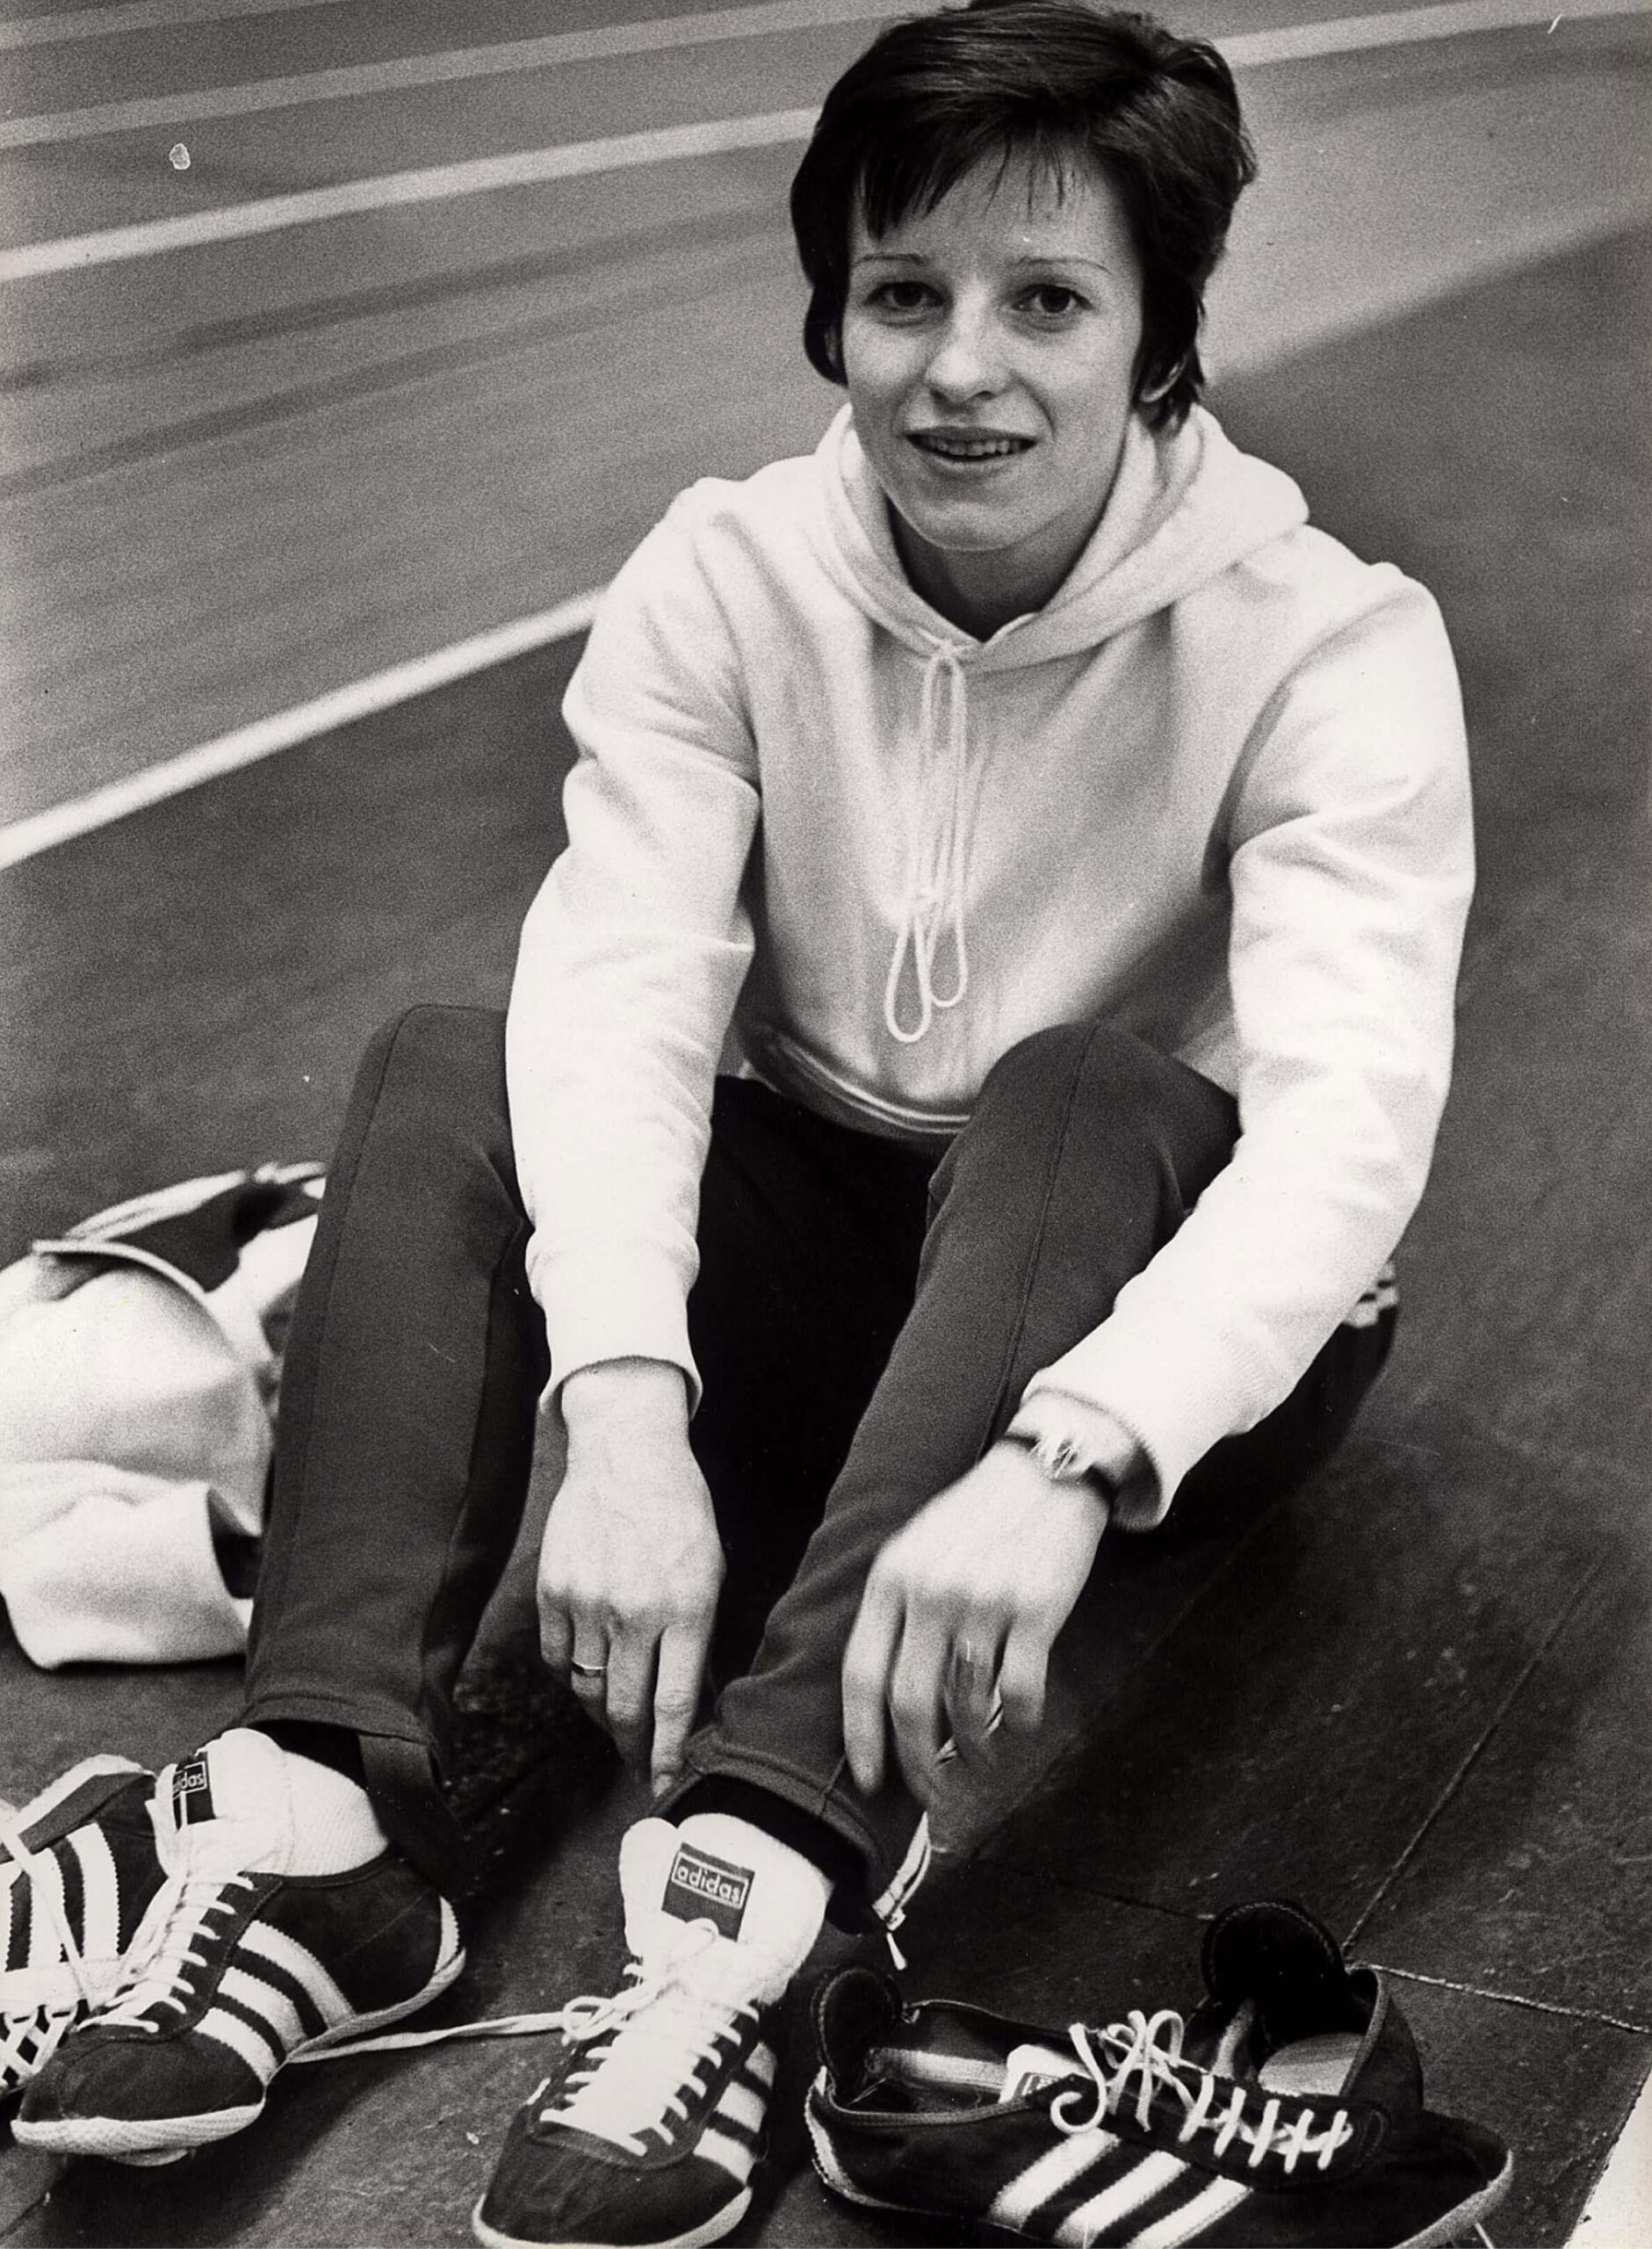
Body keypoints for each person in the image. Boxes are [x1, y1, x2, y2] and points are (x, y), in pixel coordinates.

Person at [1, 4, 1473, 2244]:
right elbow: (615, 997)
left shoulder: (1331, 645)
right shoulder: (725, 573)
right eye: (904, 294)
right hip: (843, 1274)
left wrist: (1072, 1443)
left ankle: (760, 1889)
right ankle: (317, 1822)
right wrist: (617, 1403)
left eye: (1046, 301)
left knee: (1078, 1081)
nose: (958, 370)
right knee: (446, 1055)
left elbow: (1344, 1130)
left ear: (1163, 335)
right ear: (833, 311)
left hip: (1156, 1337)